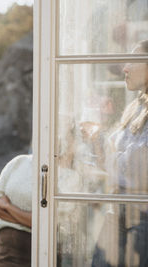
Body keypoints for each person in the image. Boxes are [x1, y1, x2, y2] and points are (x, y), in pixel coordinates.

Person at [91, 40, 148, 267]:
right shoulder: (136, 108)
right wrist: (97, 135)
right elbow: (114, 158)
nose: (125, 68)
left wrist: (108, 150)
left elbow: (139, 164)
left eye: (132, 61)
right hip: (118, 208)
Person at [0, 154, 32, 267]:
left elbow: (43, 223)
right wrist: (27, 221)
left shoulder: (67, 173)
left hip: (44, 253)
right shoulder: (19, 162)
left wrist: (7, 206)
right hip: (7, 253)